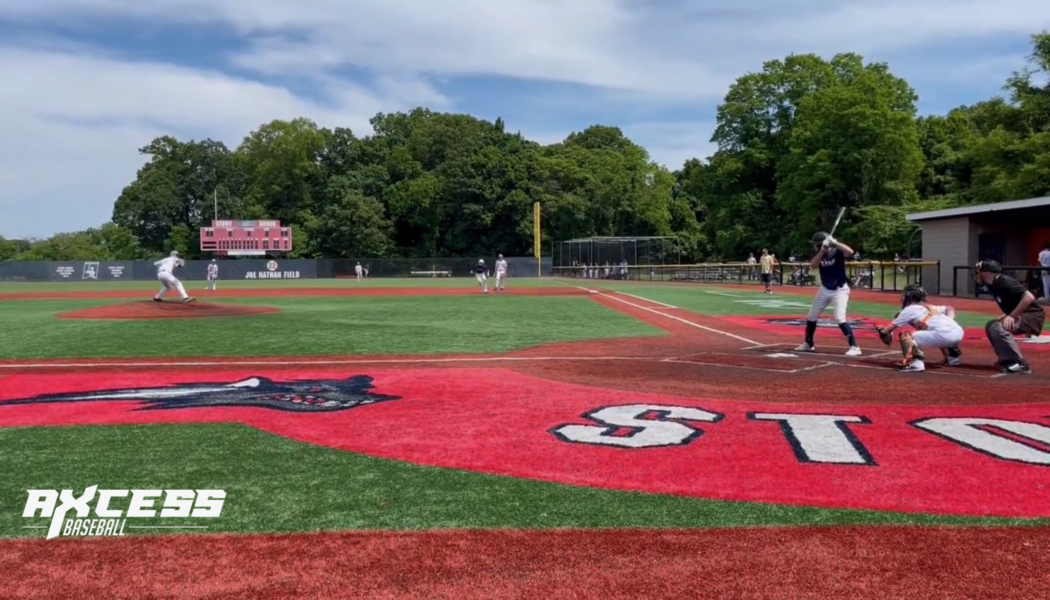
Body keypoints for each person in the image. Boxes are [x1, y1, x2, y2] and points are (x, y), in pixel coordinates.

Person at [795, 232, 861, 356]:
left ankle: (854, 346)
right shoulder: (819, 254)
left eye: (816, 245)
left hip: (840, 290)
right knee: (812, 315)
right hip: (825, 289)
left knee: (839, 317)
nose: (814, 247)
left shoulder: (837, 252)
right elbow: (813, 265)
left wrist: (834, 242)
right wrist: (822, 251)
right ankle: (808, 343)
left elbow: (850, 252)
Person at [975, 260, 1045, 374]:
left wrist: (1012, 315)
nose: (977, 274)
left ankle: (1020, 363)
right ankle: (1007, 359)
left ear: (987, 273)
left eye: (979, 271)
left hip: (1032, 316)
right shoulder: (993, 283)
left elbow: (1029, 297)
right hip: (1025, 314)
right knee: (991, 325)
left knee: (998, 327)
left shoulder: (1004, 281)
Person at [876, 285, 964, 372]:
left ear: (909, 297)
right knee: (935, 331)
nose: (902, 298)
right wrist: (949, 320)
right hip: (958, 332)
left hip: (943, 335)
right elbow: (949, 308)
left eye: (904, 295)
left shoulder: (909, 310)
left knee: (907, 336)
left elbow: (888, 330)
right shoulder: (929, 307)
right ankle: (952, 359)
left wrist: (881, 330)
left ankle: (915, 364)